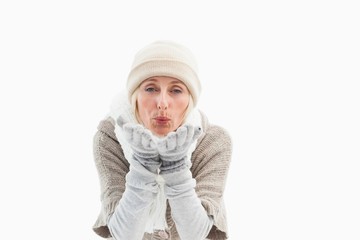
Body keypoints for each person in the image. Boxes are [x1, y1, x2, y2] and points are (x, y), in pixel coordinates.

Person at [92, 40, 232, 240]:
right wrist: (143, 165)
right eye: (150, 89)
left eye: (176, 90)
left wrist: (176, 167)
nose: (163, 103)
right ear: (136, 96)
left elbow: (196, 235)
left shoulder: (213, 141)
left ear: (190, 99)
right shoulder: (111, 136)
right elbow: (123, 235)